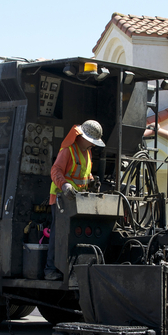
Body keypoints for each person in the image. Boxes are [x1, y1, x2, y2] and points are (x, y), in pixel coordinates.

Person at [43, 120, 104, 281]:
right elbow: (55, 171)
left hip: (77, 200)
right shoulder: (68, 151)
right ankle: (50, 269)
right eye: (91, 140)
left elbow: (84, 173)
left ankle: (70, 270)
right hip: (61, 199)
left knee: (73, 237)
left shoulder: (87, 152)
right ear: (82, 136)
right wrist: (64, 186)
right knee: (58, 234)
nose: (92, 144)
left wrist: (92, 181)